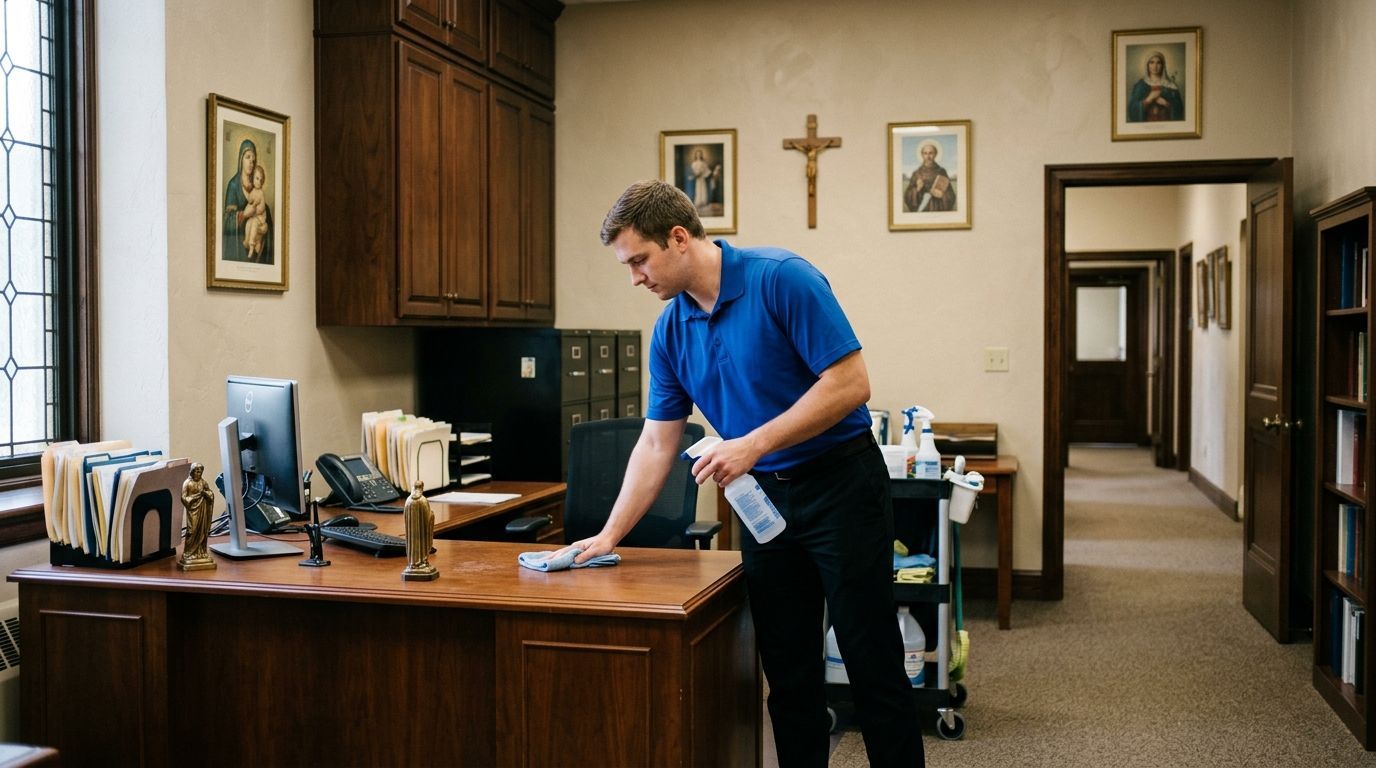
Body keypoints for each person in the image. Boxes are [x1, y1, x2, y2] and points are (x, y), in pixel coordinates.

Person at [556, 179, 923, 767]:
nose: (635, 278)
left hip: (841, 486)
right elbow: (656, 441)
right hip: (765, 508)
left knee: (870, 662)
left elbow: (851, 384)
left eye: (640, 261)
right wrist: (608, 534)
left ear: (678, 238)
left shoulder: (782, 278)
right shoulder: (671, 330)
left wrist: (752, 444)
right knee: (788, 674)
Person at [222, 138, 274, 264]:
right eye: (247, 157)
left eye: (253, 159)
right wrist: (244, 214)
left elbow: (263, 211)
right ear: (241, 159)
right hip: (239, 252)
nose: (251, 162)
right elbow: (226, 221)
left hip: (256, 246)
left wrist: (266, 228)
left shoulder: (257, 185)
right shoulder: (233, 186)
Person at [1127, 50, 1184, 123]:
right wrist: (1148, 99)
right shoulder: (1140, 85)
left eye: (1158, 63)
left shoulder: (1171, 86)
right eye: (1151, 62)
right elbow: (1132, 112)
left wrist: (1166, 104)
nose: (1155, 66)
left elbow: (1180, 111)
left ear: (1163, 65)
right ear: (1147, 65)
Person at [902, 140, 955, 213]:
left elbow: (951, 194)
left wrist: (942, 195)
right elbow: (907, 195)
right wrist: (917, 189)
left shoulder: (941, 171)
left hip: (938, 207)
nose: (928, 156)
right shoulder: (917, 173)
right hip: (922, 207)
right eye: (925, 153)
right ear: (922, 155)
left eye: (931, 153)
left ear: (935, 154)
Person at [180, 462, 213, 561]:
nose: (198, 474)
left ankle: (201, 552)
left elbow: (210, 494)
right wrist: (195, 497)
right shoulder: (187, 483)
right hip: (193, 510)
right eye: (197, 471)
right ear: (192, 471)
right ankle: (189, 552)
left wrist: (206, 494)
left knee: (202, 530)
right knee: (192, 530)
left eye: (200, 472)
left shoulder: (203, 482)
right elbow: (184, 498)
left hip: (203, 510)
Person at [243, 164, 269, 261]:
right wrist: (251, 201)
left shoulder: (261, 193)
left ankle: (252, 245)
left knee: (253, 223)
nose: (258, 182)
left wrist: (257, 207)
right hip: (254, 217)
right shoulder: (253, 191)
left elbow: (261, 208)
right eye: (256, 178)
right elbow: (249, 199)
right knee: (248, 223)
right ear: (253, 179)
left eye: (260, 180)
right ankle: (247, 240)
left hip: (260, 218)